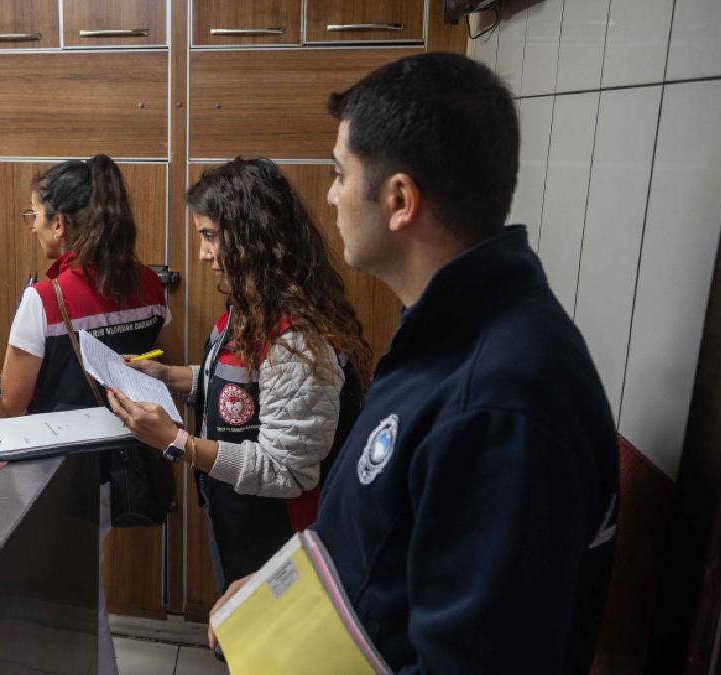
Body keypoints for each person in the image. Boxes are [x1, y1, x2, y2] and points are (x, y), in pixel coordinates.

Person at [208, 53, 620, 674]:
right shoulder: (442, 334)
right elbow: (373, 537)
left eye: (340, 173)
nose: (332, 194)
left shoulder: (500, 403)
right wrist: (274, 592)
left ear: (399, 198)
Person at [107, 157, 373, 592]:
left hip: (282, 536)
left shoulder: (297, 339)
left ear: (255, 234)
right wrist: (167, 375)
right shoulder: (249, 306)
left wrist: (177, 443)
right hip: (237, 513)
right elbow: (242, 392)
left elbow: (287, 472)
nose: (202, 253)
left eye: (210, 236)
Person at [0, 154, 173, 675]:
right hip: (129, 459)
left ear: (60, 222)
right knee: (83, 579)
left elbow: (12, 399)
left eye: (34, 217)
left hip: (66, 471)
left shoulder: (45, 299)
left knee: (72, 591)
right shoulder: (151, 285)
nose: (32, 228)